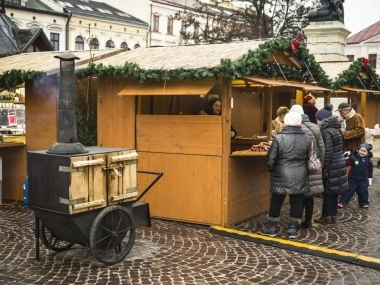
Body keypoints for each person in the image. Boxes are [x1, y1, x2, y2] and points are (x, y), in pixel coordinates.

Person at [260, 112, 311, 239]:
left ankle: (271, 228)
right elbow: (310, 157)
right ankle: (292, 229)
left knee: (276, 201)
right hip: (300, 173)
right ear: (299, 123)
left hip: (281, 173)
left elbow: (271, 158)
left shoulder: (279, 138)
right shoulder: (307, 138)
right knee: (297, 202)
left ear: (285, 123)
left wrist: (270, 169)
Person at [289, 104, 325, 228]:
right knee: (309, 196)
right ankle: (308, 221)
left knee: (298, 196)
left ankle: (296, 221)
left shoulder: (294, 127)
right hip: (313, 166)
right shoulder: (315, 127)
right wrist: (321, 165)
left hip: (299, 166)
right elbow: (322, 149)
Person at [314, 103, 348, 224]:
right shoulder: (335, 129)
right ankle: (333, 215)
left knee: (328, 191)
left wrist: (325, 169)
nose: (316, 121)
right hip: (339, 162)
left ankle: (325, 215)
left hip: (332, 164)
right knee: (335, 191)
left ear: (323, 120)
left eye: (317, 119)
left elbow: (327, 152)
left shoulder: (326, 132)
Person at [338, 143, 373, 209]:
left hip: (363, 181)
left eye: (364, 151)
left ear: (368, 153)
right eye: (361, 150)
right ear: (358, 150)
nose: (362, 152)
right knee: (348, 191)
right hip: (352, 179)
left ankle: (364, 203)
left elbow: (370, 171)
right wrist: (345, 158)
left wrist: (370, 179)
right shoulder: (353, 158)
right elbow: (347, 163)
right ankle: (342, 202)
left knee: (363, 193)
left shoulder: (369, 161)